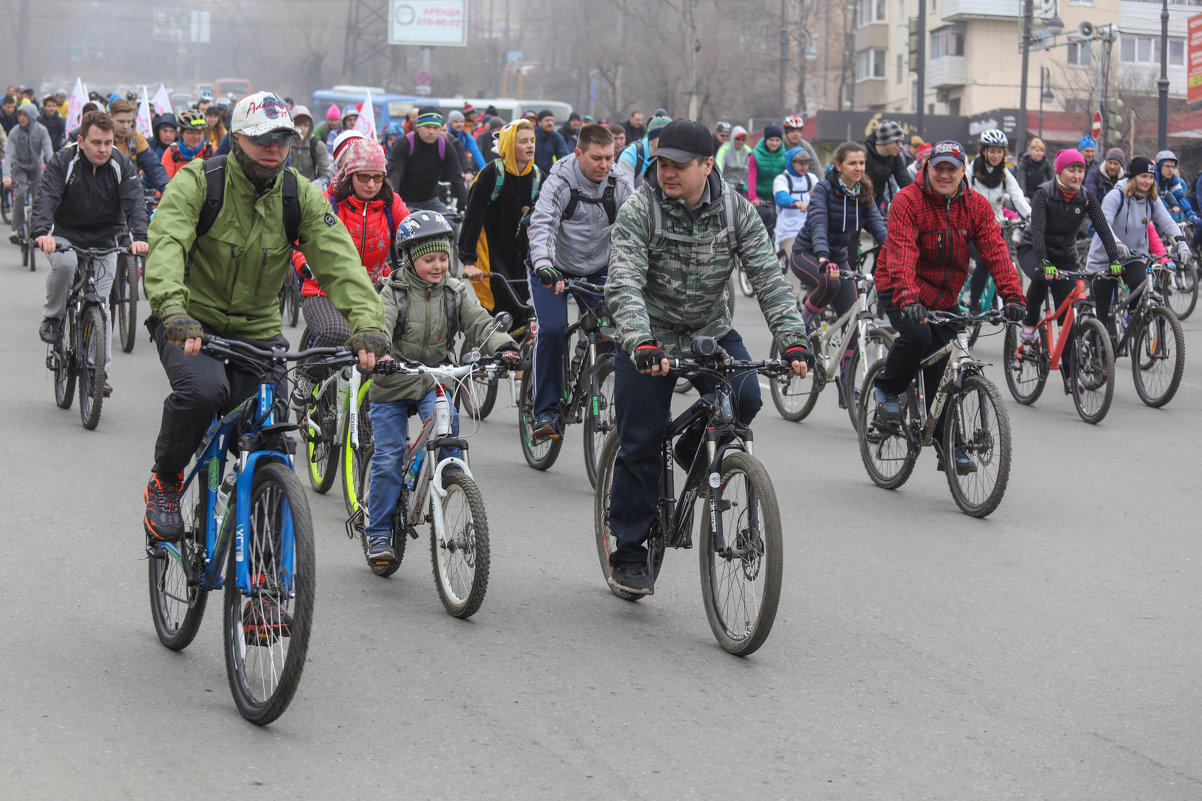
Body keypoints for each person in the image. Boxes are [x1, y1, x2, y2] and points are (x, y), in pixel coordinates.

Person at [141, 91, 388, 544]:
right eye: (262, 138)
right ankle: (166, 480)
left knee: (272, 446)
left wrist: (368, 324)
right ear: (236, 138)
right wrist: (173, 309)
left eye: (283, 138)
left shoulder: (299, 194)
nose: (274, 147)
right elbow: (167, 244)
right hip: (192, 323)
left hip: (258, 334)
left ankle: (265, 589)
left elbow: (340, 262)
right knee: (203, 391)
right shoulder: (200, 181)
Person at [603, 119, 811, 596]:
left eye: (678, 165)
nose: (667, 173)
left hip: (708, 331)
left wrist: (793, 341)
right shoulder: (641, 208)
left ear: (706, 165)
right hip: (649, 338)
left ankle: (690, 446)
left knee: (745, 398)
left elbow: (768, 278)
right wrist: (640, 341)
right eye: (661, 163)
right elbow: (624, 281)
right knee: (639, 441)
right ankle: (630, 552)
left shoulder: (737, 211)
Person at [363, 211, 521, 564]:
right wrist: (381, 353)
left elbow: (479, 322)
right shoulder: (394, 292)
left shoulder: (455, 291)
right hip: (392, 382)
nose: (438, 265)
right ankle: (377, 532)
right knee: (389, 458)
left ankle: (445, 485)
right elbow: (380, 326)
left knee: (448, 436)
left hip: (433, 380)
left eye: (443, 258)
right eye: (428, 259)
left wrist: (504, 346)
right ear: (410, 259)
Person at [871, 140, 1026, 473]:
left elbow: (996, 251)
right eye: (938, 167)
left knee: (943, 369)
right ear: (927, 168)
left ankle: (949, 445)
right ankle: (887, 389)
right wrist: (909, 298)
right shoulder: (907, 201)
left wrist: (1013, 296)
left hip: (943, 295)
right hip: (899, 285)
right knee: (918, 338)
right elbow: (901, 255)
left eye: (951, 169)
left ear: (962, 171)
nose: (944, 174)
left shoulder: (976, 206)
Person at [526, 123, 633, 439]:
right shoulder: (558, 182)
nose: (604, 165)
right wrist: (545, 265)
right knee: (554, 329)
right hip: (553, 268)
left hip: (597, 269)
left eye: (609, 158)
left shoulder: (620, 184)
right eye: (597, 158)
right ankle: (544, 410)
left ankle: (600, 385)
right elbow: (543, 223)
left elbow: (639, 228)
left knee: (613, 332)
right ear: (578, 153)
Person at [32, 110, 148, 399]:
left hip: (105, 238)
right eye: (97, 143)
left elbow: (134, 200)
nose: (103, 149)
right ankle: (54, 318)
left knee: (103, 306)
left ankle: (99, 372)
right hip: (66, 234)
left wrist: (141, 238)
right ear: (81, 140)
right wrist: (41, 232)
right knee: (66, 265)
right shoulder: (64, 161)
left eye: (108, 142)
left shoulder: (120, 163)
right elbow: (47, 196)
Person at [291, 136, 410, 404]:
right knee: (337, 332)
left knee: (398, 342)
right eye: (364, 177)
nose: (371, 184)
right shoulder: (327, 201)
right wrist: (304, 265)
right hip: (324, 289)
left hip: (375, 289)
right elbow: (299, 240)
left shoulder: (392, 204)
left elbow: (411, 232)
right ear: (349, 175)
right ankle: (307, 378)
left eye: (378, 178)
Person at [1014, 148, 1122, 390]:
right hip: (1034, 248)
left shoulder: (1086, 196)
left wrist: (1114, 258)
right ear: (1060, 171)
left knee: (1069, 319)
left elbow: (1103, 228)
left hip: (1065, 255)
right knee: (1041, 278)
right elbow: (1038, 231)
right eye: (1071, 169)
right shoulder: (1044, 193)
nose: (1077, 174)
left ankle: (1070, 374)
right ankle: (1029, 324)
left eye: (1081, 169)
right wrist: (1043, 260)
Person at [789, 141, 887, 329]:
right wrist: (823, 258)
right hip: (808, 254)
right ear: (839, 166)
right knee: (830, 284)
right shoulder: (823, 189)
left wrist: (896, 252)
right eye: (852, 163)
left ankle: (845, 357)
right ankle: (801, 327)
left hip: (838, 258)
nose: (859, 168)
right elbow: (819, 225)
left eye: (862, 163)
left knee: (852, 322)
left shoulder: (864, 192)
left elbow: (878, 226)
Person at [458, 119, 543, 324]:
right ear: (508, 145)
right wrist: (468, 261)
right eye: (523, 141)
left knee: (523, 314)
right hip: (490, 255)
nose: (530, 145)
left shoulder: (538, 176)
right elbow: (473, 220)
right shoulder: (491, 174)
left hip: (521, 256)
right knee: (499, 313)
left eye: (532, 140)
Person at [1089, 155, 1189, 325]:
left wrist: (1182, 244)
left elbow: (1167, 223)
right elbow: (1103, 225)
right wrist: (1117, 244)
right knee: (1103, 314)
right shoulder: (1115, 196)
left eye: (1151, 177)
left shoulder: (1151, 199)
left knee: (1141, 284)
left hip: (1133, 257)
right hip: (1105, 258)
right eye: (1143, 176)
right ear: (1132, 177)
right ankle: (1100, 342)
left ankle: (1131, 320)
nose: (1148, 181)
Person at [964, 129, 1030, 312]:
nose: (995, 155)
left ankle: (1000, 304)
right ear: (984, 150)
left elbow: (1017, 196)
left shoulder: (1004, 174)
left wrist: (1032, 218)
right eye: (992, 151)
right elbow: (962, 196)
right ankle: (975, 305)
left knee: (1005, 265)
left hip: (996, 227)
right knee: (985, 263)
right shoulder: (970, 171)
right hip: (973, 229)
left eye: (999, 151)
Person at [386, 108, 469, 214]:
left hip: (430, 201)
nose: (431, 132)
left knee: (451, 226)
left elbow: (456, 177)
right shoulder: (403, 144)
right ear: (418, 126)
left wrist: (466, 204)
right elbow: (395, 174)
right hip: (403, 199)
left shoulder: (445, 146)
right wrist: (395, 201)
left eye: (436, 128)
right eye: (427, 127)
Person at [3, 99, 53, 244]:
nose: (22, 118)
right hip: (19, 167)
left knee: (39, 198)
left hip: (36, 167)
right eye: (20, 115)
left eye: (25, 115)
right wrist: (6, 176)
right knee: (20, 194)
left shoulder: (41, 130)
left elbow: (49, 152)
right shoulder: (15, 132)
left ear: (32, 116)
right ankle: (16, 229)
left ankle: (38, 230)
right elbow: (9, 154)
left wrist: (53, 172)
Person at [108, 99, 169, 192]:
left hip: (129, 191)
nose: (125, 126)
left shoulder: (137, 138)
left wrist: (167, 188)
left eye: (129, 122)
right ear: (110, 117)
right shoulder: (101, 138)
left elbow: (153, 167)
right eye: (121, 121)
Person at [772, 147, 816, 256]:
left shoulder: (812, 178)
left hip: (810, 230)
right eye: (801, 164)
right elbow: (781, 198)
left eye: (806, 164)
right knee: (797, 261)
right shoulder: (781, 179)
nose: (804, 167)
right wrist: (796, 203)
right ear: (791, 162)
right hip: (789, 231)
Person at [863, 119, 912, 212]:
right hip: (856, 206)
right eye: (898, 142)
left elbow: (906, 183)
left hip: (875, 207)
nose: (901, 146)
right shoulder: (863, 154)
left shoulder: (895, 157)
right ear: (886, 141)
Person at [613, 112, 671, 189]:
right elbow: (625, 193)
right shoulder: (630, 155)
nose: (669, 141)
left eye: (671, 137)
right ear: (651, 140)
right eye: (663, 137)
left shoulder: (675, 156)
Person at [747, 124, 786, 230]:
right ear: (765, 140)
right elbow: (751, 177)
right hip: (758, 195)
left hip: (774, 195)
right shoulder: (755, 155)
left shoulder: (785, 156)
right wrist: (753, 197)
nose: (774, 143)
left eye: (777, 140)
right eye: (771, 140)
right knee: (765, 214)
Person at [160, 111, 214, 180]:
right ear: (181, 133)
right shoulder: (172, 152)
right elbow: (165, 182)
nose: (196, 137)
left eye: (199, 133)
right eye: (191, 133)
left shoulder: (211, 150)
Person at [287, 105, 330, 182]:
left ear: (310, 127)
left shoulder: (317, 145)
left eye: (306, 125)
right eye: (298, 124)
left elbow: (326, 174)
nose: (302, 129)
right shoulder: (284, 144)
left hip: (309, 189)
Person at [715, 125, 752, 195]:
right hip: (726, 187)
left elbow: (752, 169)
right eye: (737, 139)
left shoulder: (748, 150)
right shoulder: (724, 149)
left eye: (743, 139)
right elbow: (718, 167)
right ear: (732, 138)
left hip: (743, 188)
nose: (740, 141)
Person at [447, 109, 485, 174]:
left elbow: (476, 153)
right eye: (456, 122)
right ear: (450, 123)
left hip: (461, 167)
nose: (459, 124)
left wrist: (484, 169)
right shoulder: (445, 135)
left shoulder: (466, 135)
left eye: (461, 122)